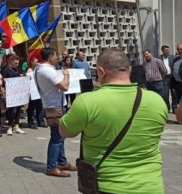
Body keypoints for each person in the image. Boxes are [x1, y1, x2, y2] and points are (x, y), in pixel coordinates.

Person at [60, 48, 168, 193]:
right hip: (151, 186)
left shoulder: (87, 102)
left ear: (101, 72)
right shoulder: (157, 101)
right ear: (129, 70)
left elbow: (65, 131)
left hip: (107, 186)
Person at [35, 48, 76, 177]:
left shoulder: (40, 69)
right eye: (55, 56)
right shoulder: (47, 71)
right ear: (51, 57)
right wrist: (66, 75)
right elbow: (64, 86)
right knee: (56, 138)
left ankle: (62, 162)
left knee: (60, 136)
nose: (57, 58)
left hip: (54, 105)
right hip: (55, 108)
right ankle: (52, 167)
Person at [2, 54, 26, 135]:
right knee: (12, 110)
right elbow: (4, 80)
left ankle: (17, 125)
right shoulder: (6, 69)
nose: (17, 65)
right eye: (16, 63)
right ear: (11, 62)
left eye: (18, 63)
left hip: (17, 93)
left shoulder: (16, 70)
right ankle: (10, 126)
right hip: (10, 94)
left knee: (18, 110)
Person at [159, 45, 175, 112]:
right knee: (165, 94)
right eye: (166, 50)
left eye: (168, 50)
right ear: (162, 51)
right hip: (164, 79)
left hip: (172, 78)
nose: (168, 51)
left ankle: (174, 108)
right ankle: (167, 108)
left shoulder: (172, 57)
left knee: (174, 94)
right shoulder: (158, 58)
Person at [171, 43, 182, 112]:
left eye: (181, 49)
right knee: (179, 101)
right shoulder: (176, 59)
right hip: (178, 83)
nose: (179, 50)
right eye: (178, 49)